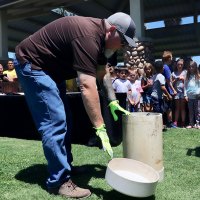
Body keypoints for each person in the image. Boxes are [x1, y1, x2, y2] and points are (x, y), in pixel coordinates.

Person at [14, 12, 135, 198]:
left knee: (66, 119)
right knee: (55, 122)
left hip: (51, 71)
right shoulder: (88, 37)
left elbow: (102, 74)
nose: (123, 47)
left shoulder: (102, 43)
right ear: (112, 30)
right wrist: (100, 128)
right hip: (34, 65)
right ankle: (59, 181)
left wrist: (112, 101)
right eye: (123, 41)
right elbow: (87, 86)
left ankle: (65, 167)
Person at [162, 51, 177, 128]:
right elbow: (168, 81)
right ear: (168, 58)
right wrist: (173, 90)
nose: (172, 59)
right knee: (169, 108)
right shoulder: (167, 68)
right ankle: (170, 123)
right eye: (171, 57)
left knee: (165, 108)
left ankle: (166, 122)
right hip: (167, 91)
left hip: (164, 91)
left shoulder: (163, 67)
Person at [184, 61, 200, 129]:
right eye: (190, 67)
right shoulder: (187, 76)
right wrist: (185, 95)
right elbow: (185, 86)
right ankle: (191, 123)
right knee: (191, 111)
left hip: (197, 96)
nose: (191, 68)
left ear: (195, 67)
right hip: (189, 96)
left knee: (197, 110)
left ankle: (197, 123)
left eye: (192, 67)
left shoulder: (198, 76)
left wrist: (198, 92)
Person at [171, 58, 187, 127]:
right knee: (177, 108)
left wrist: (183, 79)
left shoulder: (185, 72)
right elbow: (171, 83)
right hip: (176, 92)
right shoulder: (173, 73)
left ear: (183, 65)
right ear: (176, 65)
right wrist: (176, 80)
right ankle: (176, 122)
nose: (179, 66)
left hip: (184, 92)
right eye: (178, 64)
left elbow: (188, 82)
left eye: (181, 64)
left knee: (183, 108)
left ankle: (183, 122)